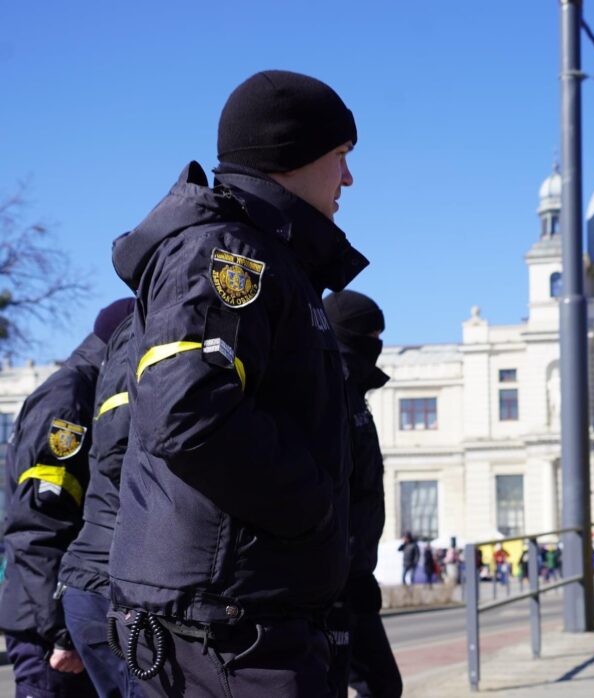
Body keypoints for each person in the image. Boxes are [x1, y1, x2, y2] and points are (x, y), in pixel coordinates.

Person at [107, 69, 366, 697]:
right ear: (291, 153)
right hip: (228, 631)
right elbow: (188, 413)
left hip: (245, 617)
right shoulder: (229, 254)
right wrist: (313, 508)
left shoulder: (272, 256)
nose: (348, 179)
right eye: (340, 155)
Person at [0, 301, 133, 698]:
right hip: (47, 629)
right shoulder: (70, 400)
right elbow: (38, 525)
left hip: (53, 616)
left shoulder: (81, 390)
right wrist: (60, 631)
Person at [323, 290, 402, 698]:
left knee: (380, 684)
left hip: (352, 573)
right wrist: (341, 570)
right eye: (373, 335)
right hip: (332, 577)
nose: (379, 344)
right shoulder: (330, 386)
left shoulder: (353, 390)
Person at [58, 305, 137, 698]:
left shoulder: (90, 384)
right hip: (103, 582)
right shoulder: (69, 394)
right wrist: (51, 629)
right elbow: (44, 521)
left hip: (95, 579)